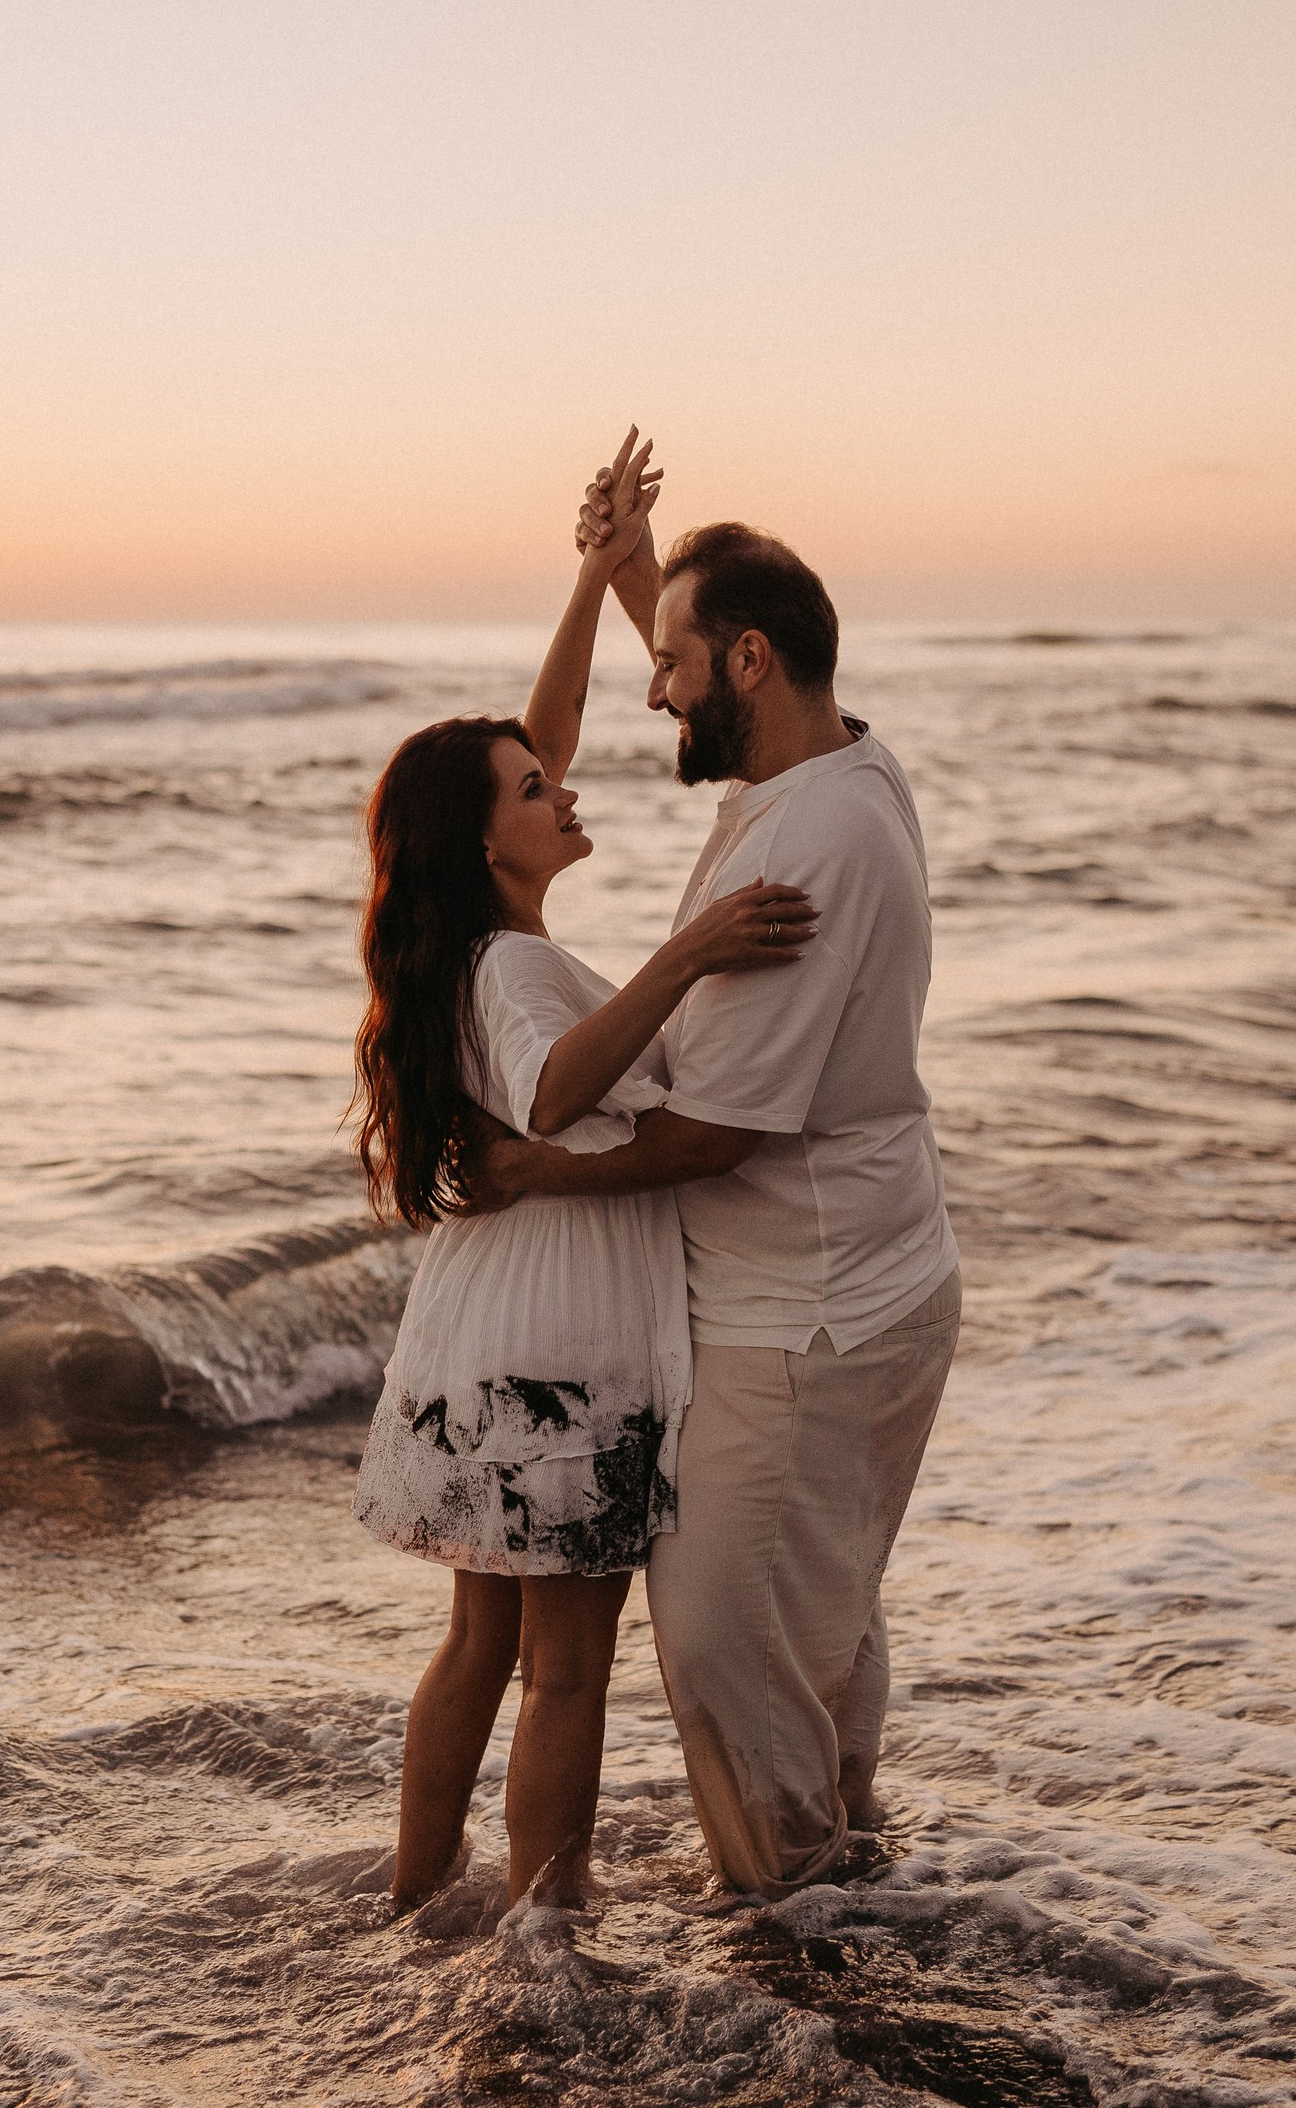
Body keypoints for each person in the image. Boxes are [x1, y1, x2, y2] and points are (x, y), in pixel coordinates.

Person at [475, 450, 961, 1892]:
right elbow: (725, 711)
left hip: (798, 1318)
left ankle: (802, 1946)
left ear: (751, 656)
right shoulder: (838, 762)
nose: (654, 694)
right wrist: (634, 579)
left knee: (726, 1646)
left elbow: (715, 1134)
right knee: (818, 1625)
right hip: (872, 1281)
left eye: (676, 663)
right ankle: (851, 1881)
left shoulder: (808, 843)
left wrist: (522, 1168)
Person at [350, 439, 819, 1911]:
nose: (562, 784)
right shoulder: (519, 967)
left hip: (488, 1330)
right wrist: (688, 951)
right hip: (561, 1349)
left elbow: (520, 734)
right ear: (486, 840)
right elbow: (559, 1094)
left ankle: (419, 1901)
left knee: (480, 1650)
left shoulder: (479, 945)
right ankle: (545, 1942)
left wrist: (587, 577)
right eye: (533, 790)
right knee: (563, 1675)